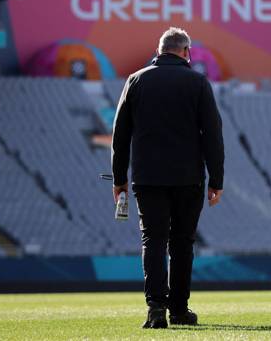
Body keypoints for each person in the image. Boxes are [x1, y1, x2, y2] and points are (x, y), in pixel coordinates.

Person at [112, 27, 224, 329]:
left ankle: (156, 309)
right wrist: (217, 179)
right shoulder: (198, 82)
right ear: (186, 52)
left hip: (148, 177)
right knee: (183, 243)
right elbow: (213, 134)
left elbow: (120, 136)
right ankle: (179, 309)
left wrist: (118, 178)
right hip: (188, 178)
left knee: (153, 240)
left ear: (159, 50)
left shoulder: (136, 81)